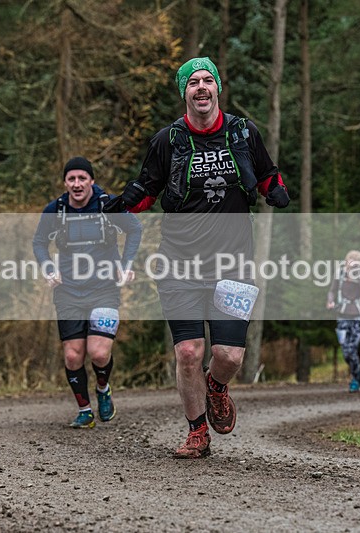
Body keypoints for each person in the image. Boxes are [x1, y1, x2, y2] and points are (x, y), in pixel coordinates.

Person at [104, 57, 290, 458]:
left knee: (228, 356)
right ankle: (196, 432)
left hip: (234, 264)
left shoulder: (243, 132)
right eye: (193, 82)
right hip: (179, 264)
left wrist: (275, 188)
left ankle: (217, 388)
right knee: (189, 352)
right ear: (184, 93)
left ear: (217, 88)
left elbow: (265, 172)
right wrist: (121, 207)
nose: (201, 87)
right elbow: (147, 188)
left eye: (208, 80)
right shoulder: (168, 141)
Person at [33, 157, 142, 428]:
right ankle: (84, 410)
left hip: (105, 289)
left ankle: (103, 389)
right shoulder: (55, 210)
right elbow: (38, 243)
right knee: (72, 356)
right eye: (72, 179)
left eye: (82, 178)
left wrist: (126, 264)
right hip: (68, 291)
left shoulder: (109, 205)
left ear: (91, 180)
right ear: (65, 183)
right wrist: (48, 268)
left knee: (99, 353)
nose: (77, 184)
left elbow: (135, 229)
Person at [327, 250, 360, 393]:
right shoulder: (340, 272)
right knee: (346, 351)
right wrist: (330, 301)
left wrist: (357, 275)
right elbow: (332, 290)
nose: (351, 262)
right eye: (349, 259)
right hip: (342, 316)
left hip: (359, 317)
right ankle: (357, 374)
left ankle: (355, 379)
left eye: (355, 260)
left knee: (352, 349)